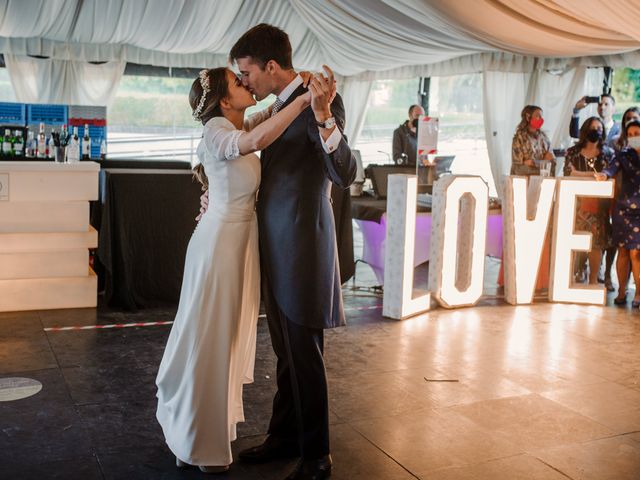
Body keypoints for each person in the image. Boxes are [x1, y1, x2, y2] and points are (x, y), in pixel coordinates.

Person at [201, 24, 356, 480]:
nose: (243, 80)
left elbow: (343, 172)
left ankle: (317, 456)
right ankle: (284, 437)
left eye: (246, 72)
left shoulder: (319, 99)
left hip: (303, 243)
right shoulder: (280, 104)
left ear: (270, 67)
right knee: (286, 351)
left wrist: (325, 118)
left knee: (305, 352)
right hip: (274, 242)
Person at [155, 67, 320, 473]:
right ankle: (199, 441)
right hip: (219, 246)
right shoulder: (216, 128)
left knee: (224, 338)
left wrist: (296, 89)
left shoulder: (236, 120)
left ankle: (197, 432)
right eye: (238, 81)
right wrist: (303, 100)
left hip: (239, 244)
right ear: (224, 100)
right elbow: (256, 139)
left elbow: (265, 120)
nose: (247, 84)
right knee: (210, 337)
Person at [563, 117, 614, 284]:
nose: (596, 130)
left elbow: (606, 176)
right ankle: (572, 277)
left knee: (596, 244)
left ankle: (593, 280)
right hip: (576, 205)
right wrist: (591, 175)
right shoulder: (573, 152)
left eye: (599, 128)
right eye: (592, 127)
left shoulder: (608, 153)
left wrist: (579, 173)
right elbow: (568, 174)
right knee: (575, 241)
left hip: (599, 207)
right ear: (585, 130)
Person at [595, 120, 640, 308]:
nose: (634, 137)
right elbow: (610, 168)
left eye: (637, 133)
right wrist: (604, 175)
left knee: (636, 253)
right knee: (622, 251)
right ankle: (622, 291)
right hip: (624, 209)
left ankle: (638, 292)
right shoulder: (622, 154)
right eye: (630, 135)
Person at [511, 105, 556, 176]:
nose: (541, 119)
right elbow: (518, 167)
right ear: (528, 117)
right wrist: (543, 162)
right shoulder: (519, 138)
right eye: (538, 116)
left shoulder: (544, 138)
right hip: (523, 180)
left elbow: (551, 160)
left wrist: (534, 162)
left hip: (541, 179)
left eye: (541, 116)